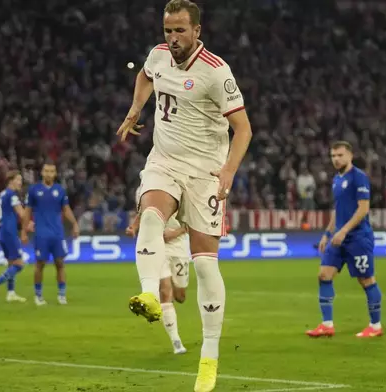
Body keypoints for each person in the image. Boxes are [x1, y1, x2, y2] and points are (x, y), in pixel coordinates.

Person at [115, 1, 252, 390]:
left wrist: (228, 170)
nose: (172, 38)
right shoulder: (158, 57)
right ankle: (148, 295)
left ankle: (209, 358)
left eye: (179, 31)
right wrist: (135, 108)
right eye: (167, 30)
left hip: (206, 173)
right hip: (165, 161)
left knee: (206, 266)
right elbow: (144, 77)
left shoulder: (215, 71)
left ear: (196, 30)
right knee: (151, 214)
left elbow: (243, 129)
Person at [306, 141, 383, 339]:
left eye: (340, 155)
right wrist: (327, 233)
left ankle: (375, 325)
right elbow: (338, 210)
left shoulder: (359, 177)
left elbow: (363, 209)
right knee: (324, 275)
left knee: (366, 280)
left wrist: (344, 231)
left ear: (350, 155)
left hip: (358, 237)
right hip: (338, 238)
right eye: (333, 156)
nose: (336, 159)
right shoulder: (337, 179)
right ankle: (327, 324)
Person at [127, 204, 191, 355]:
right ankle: (176, 342)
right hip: (157, 245)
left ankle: (170, 310)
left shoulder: (185, 189)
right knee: (164, 291)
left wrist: (176, 233)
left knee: (180, 296)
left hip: (179, 246)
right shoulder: (151, 187)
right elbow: (144, 210)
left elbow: (193, 222)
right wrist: (134, 227)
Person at [22, 162, 80, 306]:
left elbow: (66, 209)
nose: (48, 173)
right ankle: (38, 295)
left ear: (55, 174)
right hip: (41, 233)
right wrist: (23, 231)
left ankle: (61, 295)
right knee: (40, 264)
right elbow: (27, 211)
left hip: (57, 233)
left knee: (60, 263)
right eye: (46, 171)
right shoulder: (34, 190)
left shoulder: (59, 190)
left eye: (51, 171)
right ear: (42, 173)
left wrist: (74, 224)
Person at [0, 171, 27, 303]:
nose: (20, 183)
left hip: (2, 231)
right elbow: (22, 214)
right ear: (11, 181)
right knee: (19, 265)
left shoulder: (2, 194)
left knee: (11, 263)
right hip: (10, 232)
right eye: (18, 180)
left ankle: (11, 293)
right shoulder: (12, 195)